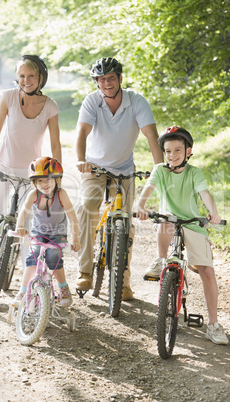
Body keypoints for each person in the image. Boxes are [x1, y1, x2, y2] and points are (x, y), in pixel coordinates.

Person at [75, 57, 163, 300]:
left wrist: (160, 170)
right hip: (94, 168)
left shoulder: (136, 101)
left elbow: (151, 137)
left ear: (120, 79)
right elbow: (81, 132)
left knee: (125, 222)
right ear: (97, 83)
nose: (106, 83)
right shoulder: (92, 101)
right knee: (88, 207)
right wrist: (81, 160)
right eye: (101, 80)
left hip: (124, 170)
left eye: (111, 78)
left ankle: (123, 283)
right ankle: (84, 270)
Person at [136, 125, 228, 345]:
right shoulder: (160, 170)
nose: (172, 155)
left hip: (194, 224)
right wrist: (141, 206)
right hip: (169, 221)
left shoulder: (194, 172)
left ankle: (213, 325)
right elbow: (148, 189)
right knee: (166, 219)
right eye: (168, 151)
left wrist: (213, 213)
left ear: (188, 151)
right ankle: (161, 260)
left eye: (178, 150)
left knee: (206, 270)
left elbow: (204, 194)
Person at [0, 54, 62, 283]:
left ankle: (29, 275)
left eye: (31, 75)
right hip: (3, 167)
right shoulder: (9, 97)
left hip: (31, 173)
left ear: (41, 77)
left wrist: (56, 175)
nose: (26, 80)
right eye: (21, 76)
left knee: (29, 224)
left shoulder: (50, 106)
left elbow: (54, 144)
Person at [12, 157, 81, 307]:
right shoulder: (34, 195)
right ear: (34, 183)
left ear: (57, 180)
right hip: (39, 234)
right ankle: (23, 291)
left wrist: (75, 239)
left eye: (48, 180)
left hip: (58, 235)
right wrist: (20, 227)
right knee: (33, 256)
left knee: (53, 256)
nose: (44, 184)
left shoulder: (61, 194)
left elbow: (72, 217)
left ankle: (63, 288)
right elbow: (23, 212)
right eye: (40, 181)